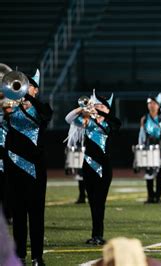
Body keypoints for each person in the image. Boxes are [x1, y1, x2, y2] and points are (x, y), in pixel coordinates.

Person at [4, 69, 53, 266]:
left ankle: (37, 256)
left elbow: (46, 114)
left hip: (36, 168)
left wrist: (27, 100)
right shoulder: (9, 109)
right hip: (14, 166)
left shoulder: (40, 109)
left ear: (35, 90)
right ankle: (20, 256)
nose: (23, 89)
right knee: (18, 214)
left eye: (28, 85)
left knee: (36, 214)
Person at [65, 89, 121, 245]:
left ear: (108, 109)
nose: (97, 108)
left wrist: (101, 113)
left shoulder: (110, 124)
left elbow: (118, 123)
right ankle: (95, 235)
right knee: (92, 202)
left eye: (101, 106)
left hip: (105, 168)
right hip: (88, 165)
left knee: (100, 202)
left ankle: (99, 234)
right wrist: (82, 109)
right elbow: (68, 118)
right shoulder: (87, 122)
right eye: (95, 105)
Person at [138, 93, 161, 204]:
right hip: (148, 147)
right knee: (149, 172)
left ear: (158, 105)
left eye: (154, 103)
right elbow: (141, 135)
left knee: (160, 172)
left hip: (160, 147)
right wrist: (140, 147)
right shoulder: (144, 118)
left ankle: (158, 196)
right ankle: (150, 196)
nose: (151, 105)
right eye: (149, 103)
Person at [0, 93, 13, 224]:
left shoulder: (9, 114)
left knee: (6, 188)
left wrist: (7, 112)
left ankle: (8, 215)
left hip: (6, 153)